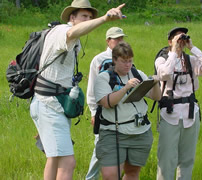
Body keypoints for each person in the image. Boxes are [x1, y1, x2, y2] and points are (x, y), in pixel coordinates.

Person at [29, 0, 126, 179]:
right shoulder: (61, 32)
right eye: (83, 16)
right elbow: (72, 31)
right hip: (48, 104)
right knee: (67, 163)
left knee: (54, 159)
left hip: (50, 105)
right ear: (72, 17)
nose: (87, 19)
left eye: (90, 17)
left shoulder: (74, 40)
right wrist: (105, 18)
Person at [94, 41, 161, 180]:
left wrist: (155, 83)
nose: (128, 65)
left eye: (130, 61)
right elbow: (107, 103)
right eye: (124, 61)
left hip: (140, 131)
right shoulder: (103, 78)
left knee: (132, 172)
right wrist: (125, 88)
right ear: (114, 60)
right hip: (113, 132)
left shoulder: (137, 73)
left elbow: (156, 97)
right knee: (110, 175)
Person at [155, 27, 202, 180]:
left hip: (190, 114)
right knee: (167, 159)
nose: (180, 41)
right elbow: (165, 74)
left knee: (187, 159)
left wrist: (192, 47)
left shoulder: (190, 60)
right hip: (170, 114)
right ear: (169, 41)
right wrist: (174, 52)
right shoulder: (162, 59)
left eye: (182, 38)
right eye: (176, 38)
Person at [86, 26, 126, 180]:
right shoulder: (99, 59)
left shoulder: (126, 57)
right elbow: (92, 87)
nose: (120, 41)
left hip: (122, 110)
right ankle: (91, 178)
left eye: (122, 38)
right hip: (103, 110)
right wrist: (93, 111)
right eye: (117, 39)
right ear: (108, 41)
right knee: (100, 149)